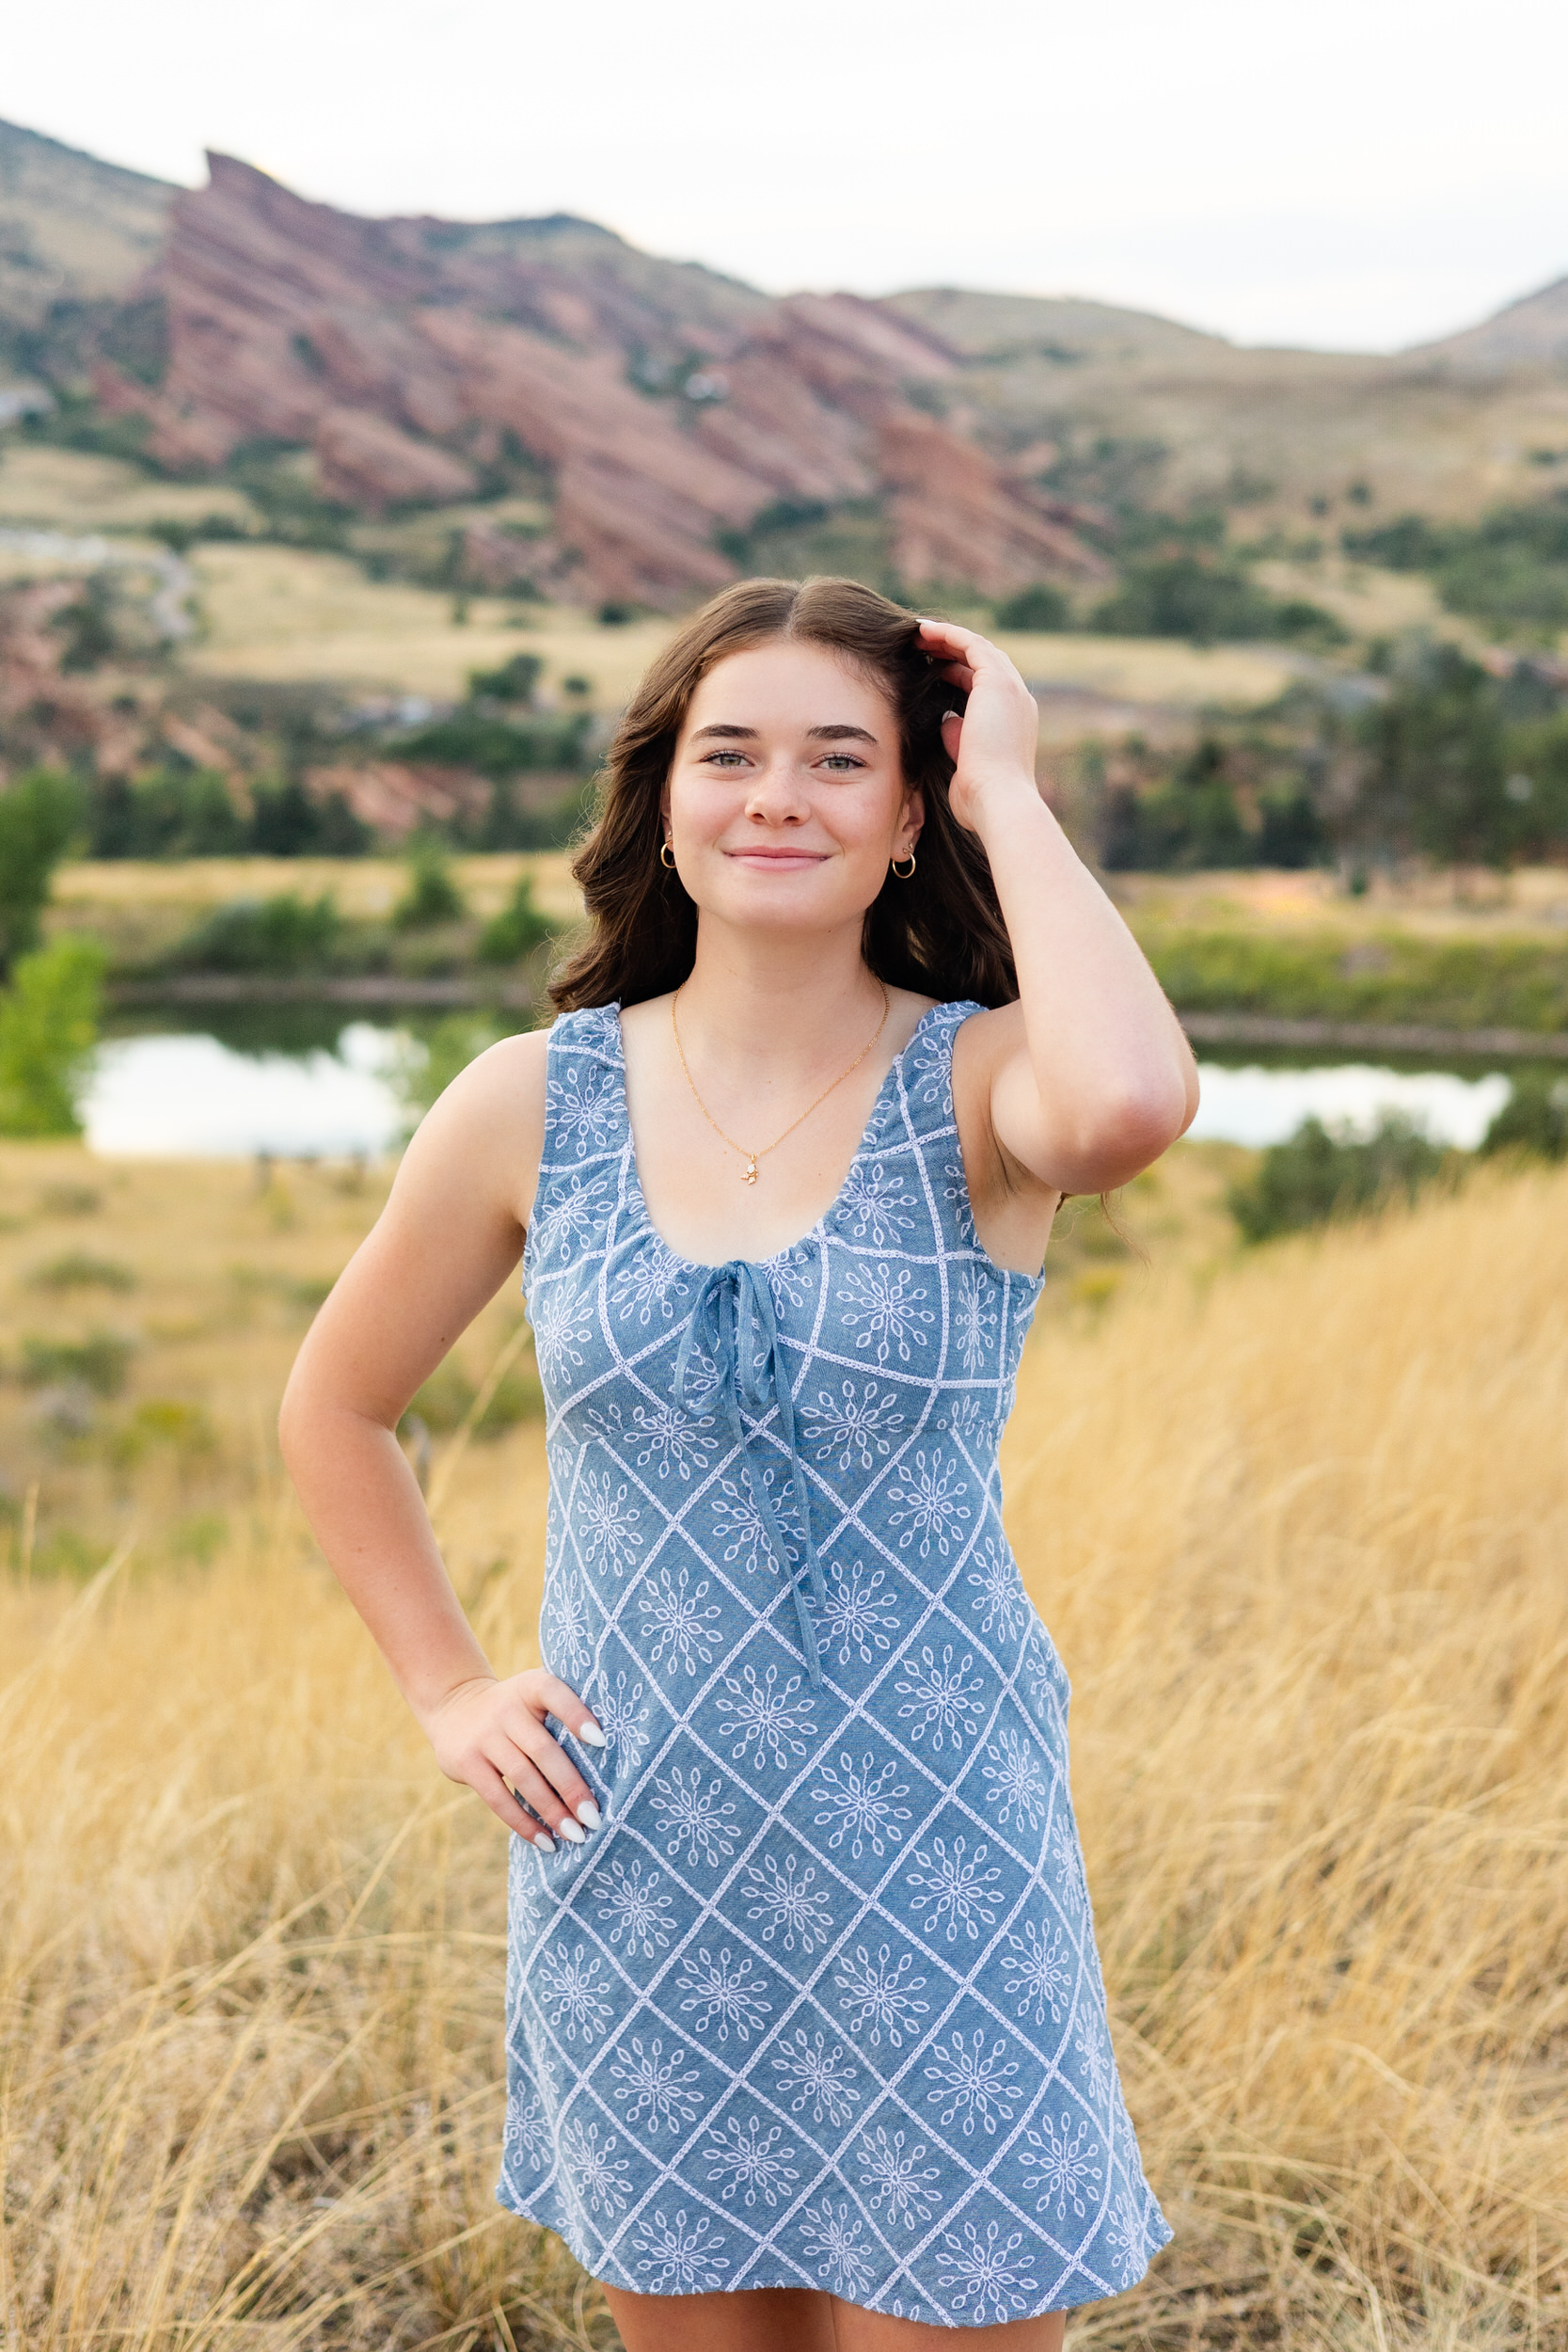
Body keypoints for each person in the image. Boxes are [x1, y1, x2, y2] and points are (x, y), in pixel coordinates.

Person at [280, 577, 1198, 2349]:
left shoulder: (986, 1085)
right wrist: (451, 1686)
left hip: (938, 1869)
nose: (779, 795)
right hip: (644, 1862)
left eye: (841, 759)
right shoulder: (530, 1102)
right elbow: (336, 1407)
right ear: (667, 798)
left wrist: (1010, 785)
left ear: (906, 816)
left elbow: (1131, 1110)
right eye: (733, 753)